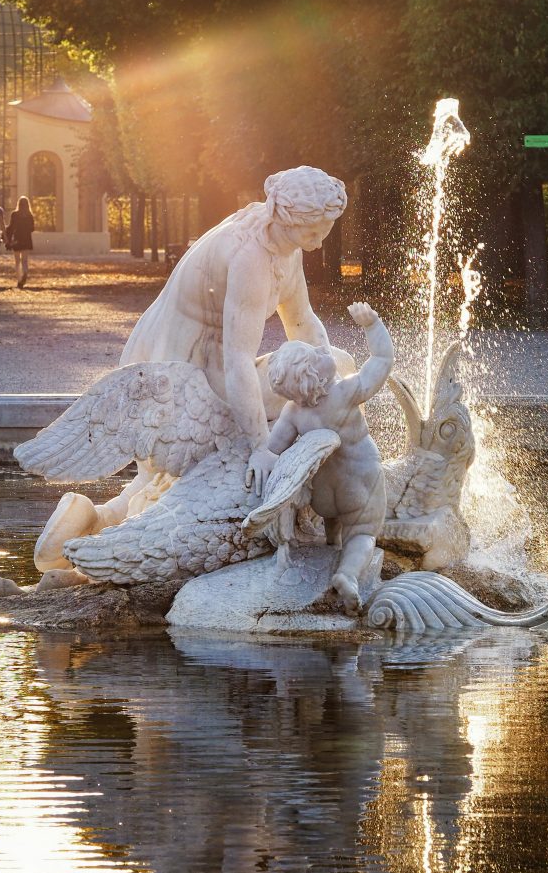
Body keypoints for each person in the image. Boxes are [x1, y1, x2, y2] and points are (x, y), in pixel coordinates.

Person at [32, 165, 354, 577]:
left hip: (189, 359)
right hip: (183, 367)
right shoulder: (252, 259)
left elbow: (303, 320)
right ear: (288, 218)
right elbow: (238, 360)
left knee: (333, 369)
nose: (321, 240)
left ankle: (87, 523)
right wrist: (260, 446)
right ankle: (96, 530)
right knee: (205, 465)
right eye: (315, 231)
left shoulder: (278, 240)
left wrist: (327, 364)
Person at [262, 302, 394, 611]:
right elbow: (382, 360)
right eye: (315, 355)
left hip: (323, 496)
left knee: (333, 520)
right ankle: (347, 574)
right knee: (362, 532)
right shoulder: (345, 393)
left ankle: (332, 544)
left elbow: (272, 449)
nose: (323, 353)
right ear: (314, 373)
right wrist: (372, 325)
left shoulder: (293, 412)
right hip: (360, 479)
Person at [6, 196, 35, 288]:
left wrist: (8, 239)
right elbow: (32, 228)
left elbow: (11, 227)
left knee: (17, 261)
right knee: (25, 260)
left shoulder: (14, 214)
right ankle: (25, 272)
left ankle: (19, 280)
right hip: (26, 239)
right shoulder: (30, 215)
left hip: (17, 239)